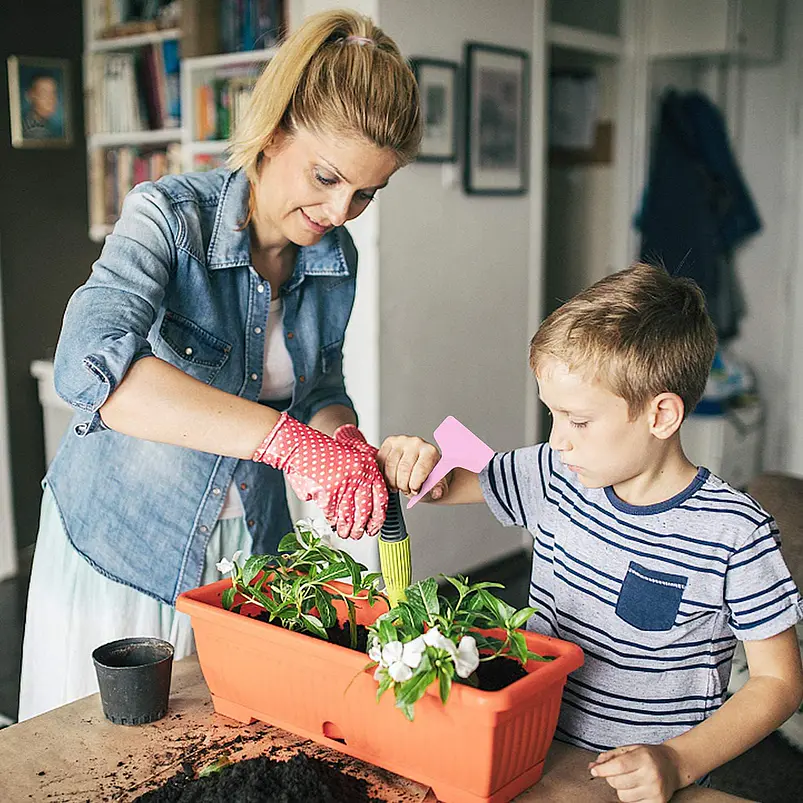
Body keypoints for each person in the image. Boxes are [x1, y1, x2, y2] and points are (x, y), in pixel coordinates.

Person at [18, 9, 421, 721]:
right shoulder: (168, 217)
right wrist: (286, 442)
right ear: (273, 132)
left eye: (366, 193)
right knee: (98, 755)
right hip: (126, 544)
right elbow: (93, 370)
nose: (339, 209)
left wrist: (342, 438)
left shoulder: (335, 258)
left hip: (248, 551)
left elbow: (320, 384)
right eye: (326, 177)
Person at [377, 263, 803, 802]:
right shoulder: (556, 474)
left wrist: (678, 761)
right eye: (552, 415)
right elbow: (445, 483)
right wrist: (414, 460)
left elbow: (778, 682)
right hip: (530, 739)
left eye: (578, 421)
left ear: (661, 415)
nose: (557, 440)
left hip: (639, 776)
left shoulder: (734, 530)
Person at [22, 73, 60, 139]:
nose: (51, 99)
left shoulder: (49, 126)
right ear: (29, 96)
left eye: (53, 93)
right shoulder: (32, 131)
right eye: (44, 93)